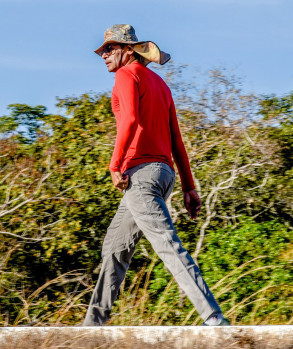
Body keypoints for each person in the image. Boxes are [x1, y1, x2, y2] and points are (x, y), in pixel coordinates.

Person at [83, 24, 229, 326]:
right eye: (103, 50)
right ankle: (92, 327)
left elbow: (132, 120)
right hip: (164, 174)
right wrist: (189, 187)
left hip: (141, 174)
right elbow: (177, 139)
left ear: (127, 50)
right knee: (114, 248)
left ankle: (213, 317)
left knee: (166, 243)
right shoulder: (161, 86)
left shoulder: (126, 75)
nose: (104, 55)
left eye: (109, 49)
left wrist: (115, 165)